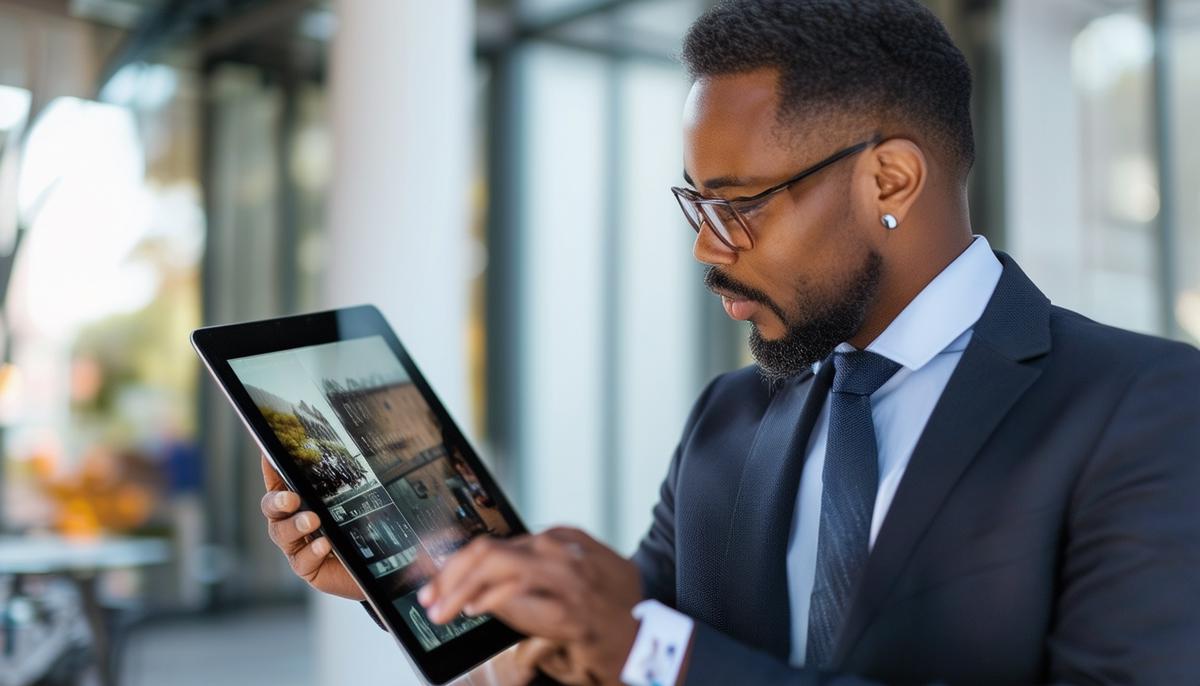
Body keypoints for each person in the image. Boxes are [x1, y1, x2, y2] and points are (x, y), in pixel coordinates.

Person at [259, 1, 1200, 683]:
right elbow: (620, 659)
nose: (708, 247)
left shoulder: (1144, 406)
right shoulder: (731, 418)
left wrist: (647, 647)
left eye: (738, 204)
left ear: (892, 180)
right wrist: (425, 588)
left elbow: (657, 653)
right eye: (696, 203)